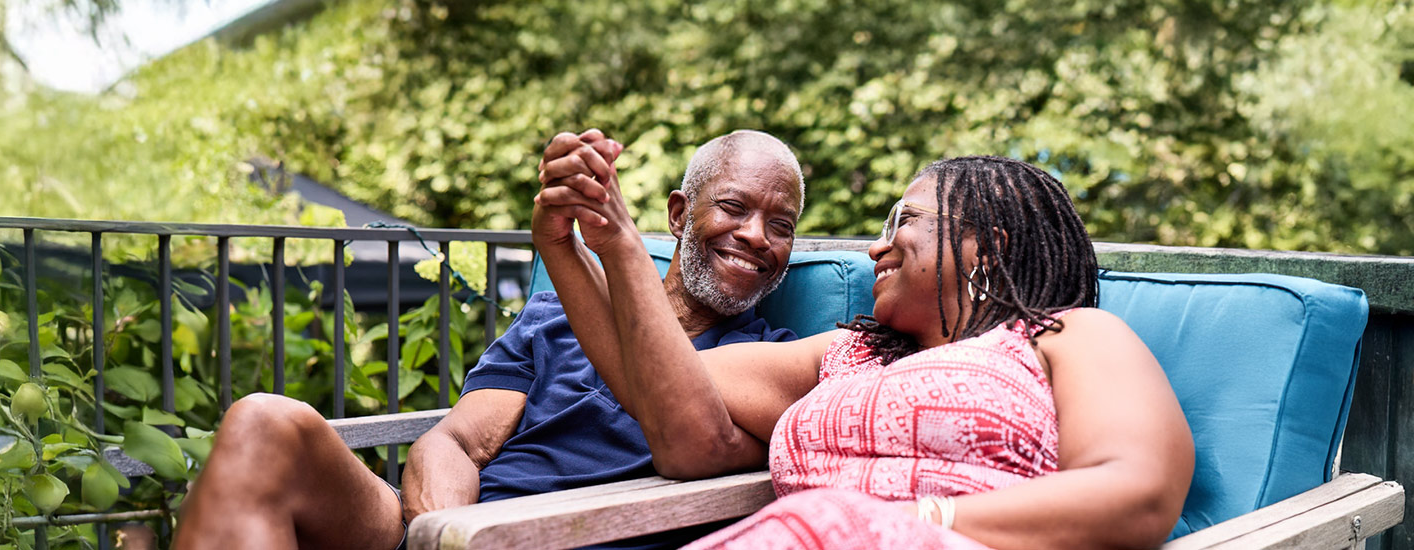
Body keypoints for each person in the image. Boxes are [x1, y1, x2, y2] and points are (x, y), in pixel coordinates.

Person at [534, 141, 1197, 549]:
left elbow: (1137, 492)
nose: (876, 246)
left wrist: (905, 522)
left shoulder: (1065, 334)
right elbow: (669, 406)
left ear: (987, 246)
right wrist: (589, 244)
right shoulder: (844, 356)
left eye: (903, 222)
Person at [173, 129, 808, 550]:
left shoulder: (770, 363)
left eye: (780, 224)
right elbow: (457, 441)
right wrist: (448, 527)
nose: (756, 235)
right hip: (457, 533)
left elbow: (709, 455)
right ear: (677, 215)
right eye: (733, 207)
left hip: (566, 538)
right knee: (263, 422)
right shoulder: (554, 318)